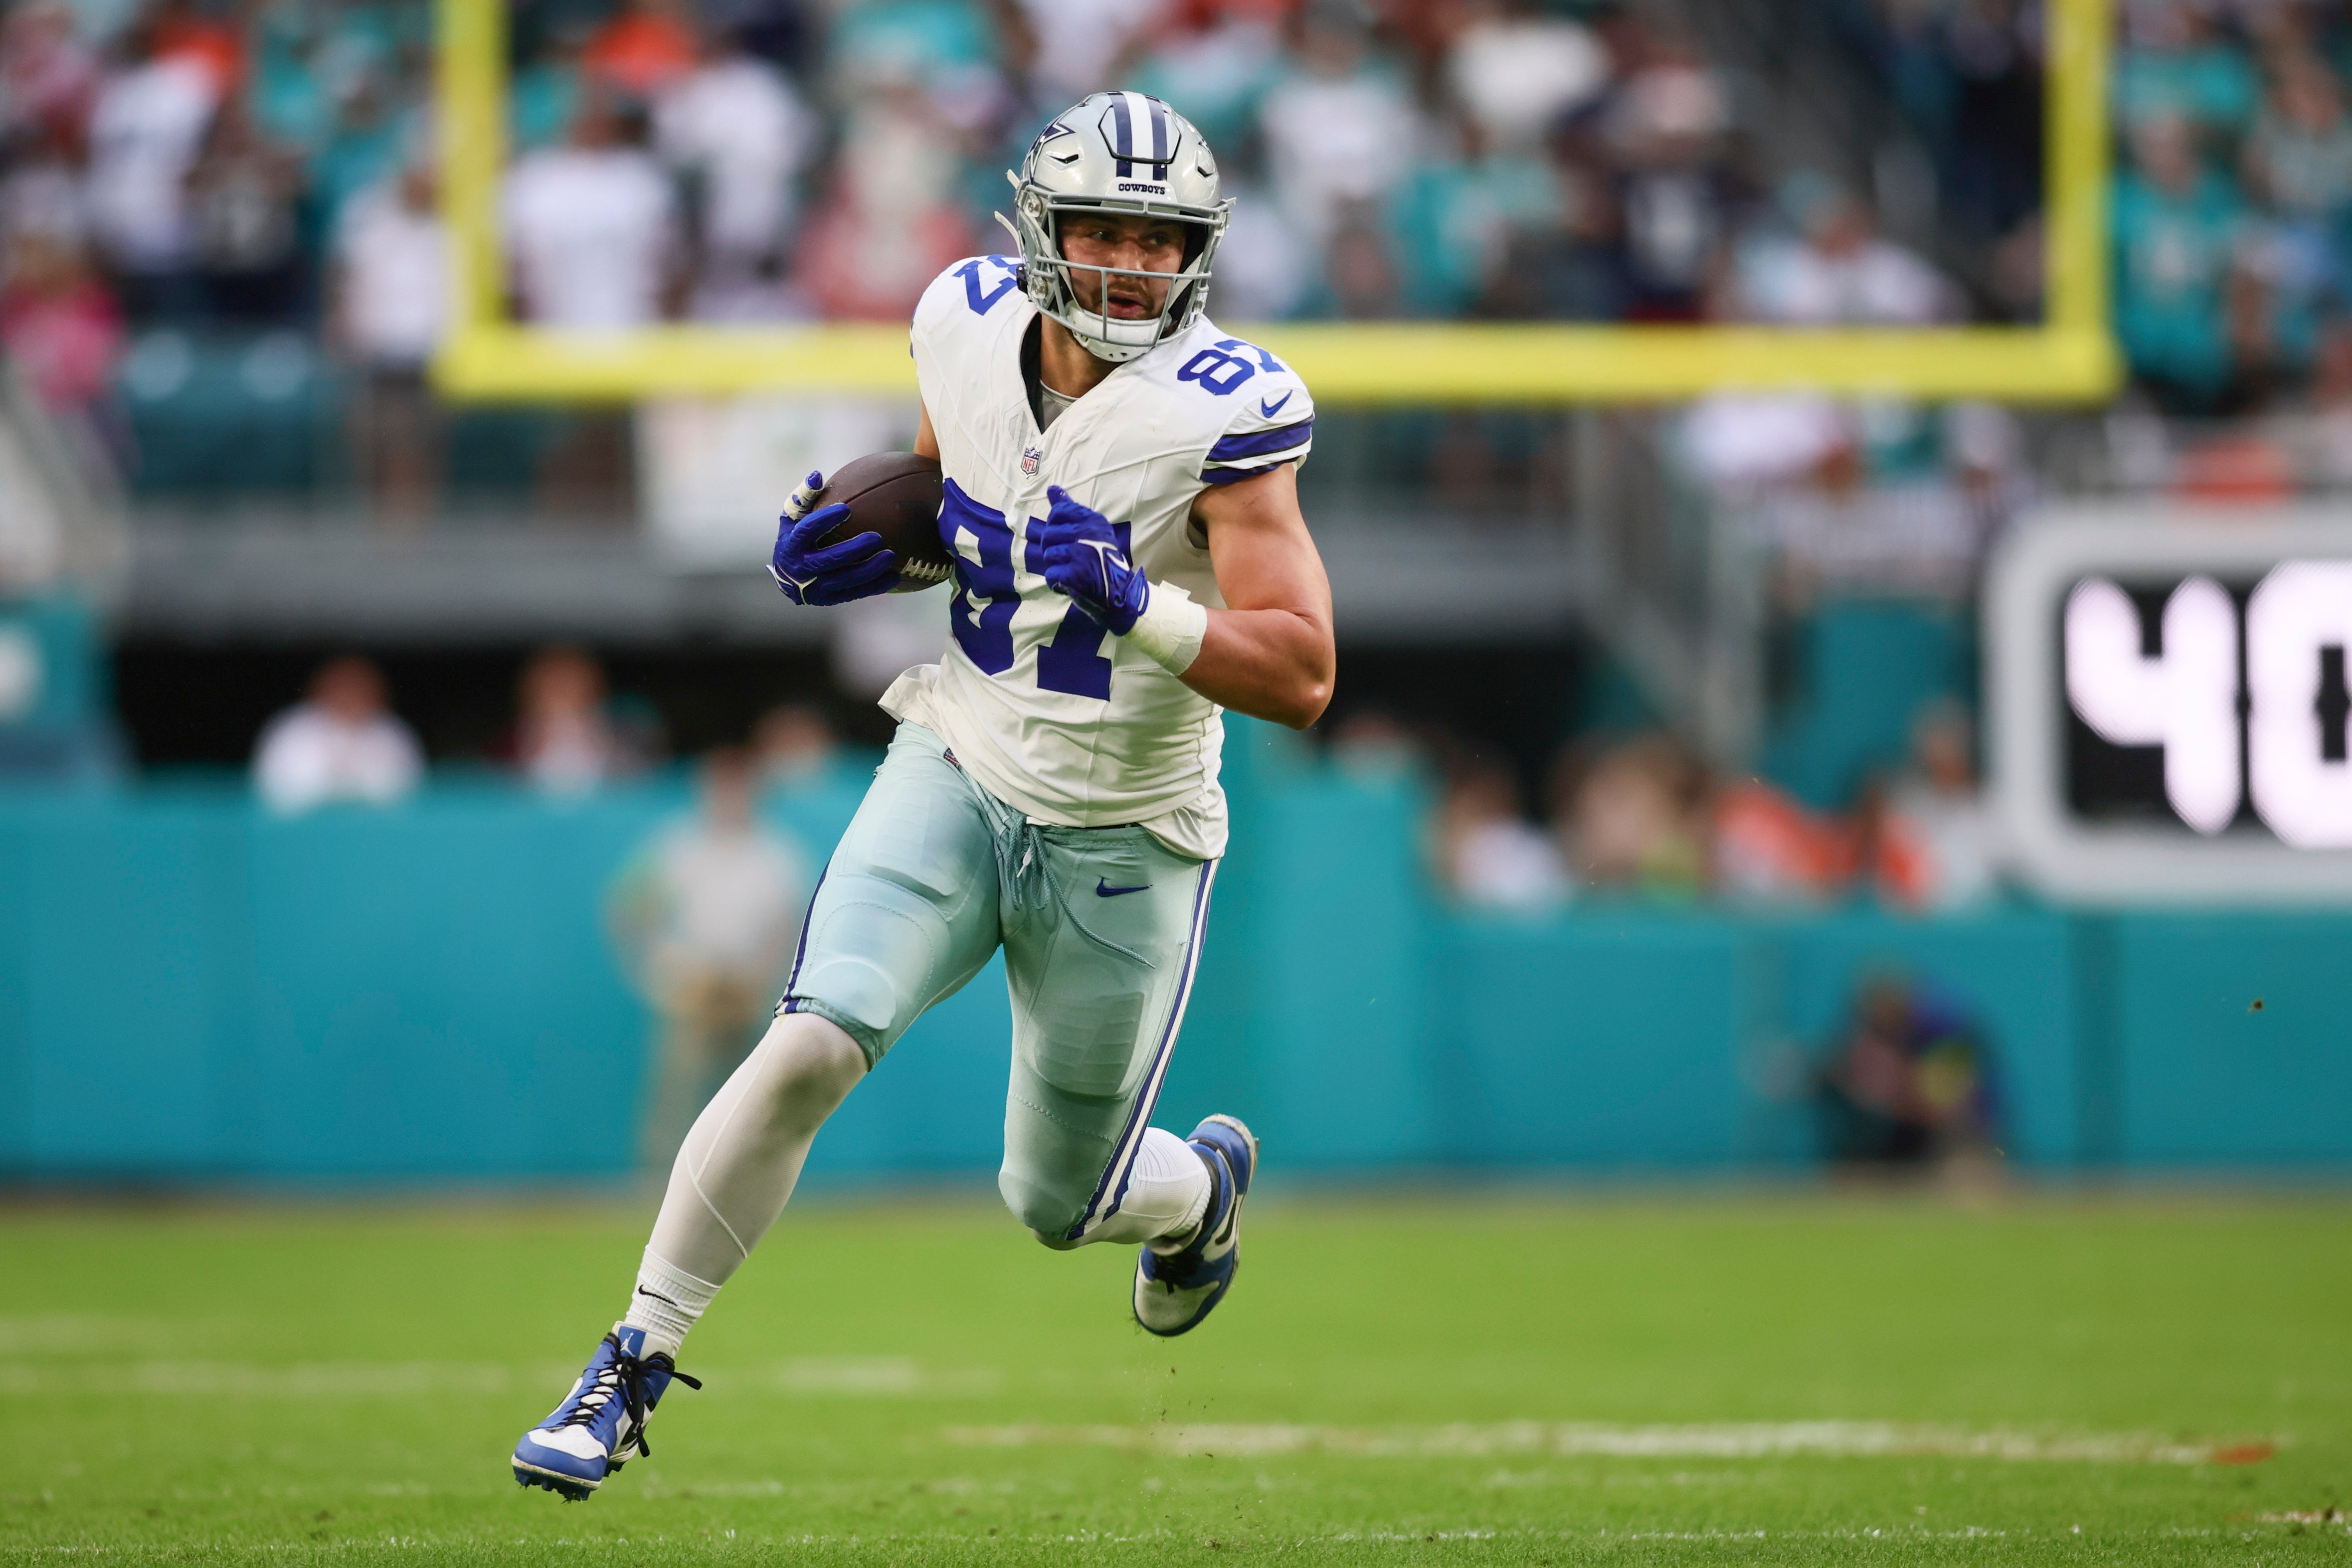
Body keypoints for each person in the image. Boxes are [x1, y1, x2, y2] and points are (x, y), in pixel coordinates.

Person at [514, 92, 1335, 1499]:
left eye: (1160, 239)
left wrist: (1137, 601)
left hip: (1124, 835)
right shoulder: (958, 319)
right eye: (1104, 230)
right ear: (1040, 228)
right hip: (955, 758)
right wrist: (874, 549)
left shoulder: (1227, 413)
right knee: (811, 1042)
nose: (1133, 263)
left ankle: (1193, 1194)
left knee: (1053, 1200)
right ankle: (628, 1363)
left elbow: (1303, 673)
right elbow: (962, 503)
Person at [606, 748, 809, 1171]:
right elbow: (630, 910)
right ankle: (661, 1186)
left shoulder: (775, 852)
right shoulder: (678, 846)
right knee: (680, 1094)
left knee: (754, 1097)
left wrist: (771, 981)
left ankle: (749, 1181)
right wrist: (660, 970)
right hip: (694, 985)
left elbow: (790, 926)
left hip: (748, 987)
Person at [252, 656, 423, 814]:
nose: (349, 695)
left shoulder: (392, 733)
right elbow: (273, 790)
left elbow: (409, 793)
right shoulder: (292, 730)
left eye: (359, 688)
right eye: (342, 687)